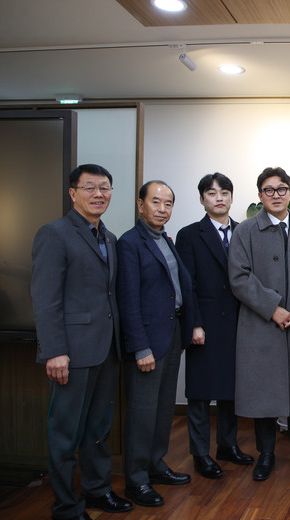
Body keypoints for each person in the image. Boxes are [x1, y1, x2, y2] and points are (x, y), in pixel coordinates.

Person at [31, 164, 132, 520]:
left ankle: (97, 490)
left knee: (98, 429)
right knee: (65, 432)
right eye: (90, 187)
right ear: (73, 193)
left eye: (105, 187)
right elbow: (45, 299)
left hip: (106, 350)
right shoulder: (54, 234)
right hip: (71, 353)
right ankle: (66, 505)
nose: (99, 194)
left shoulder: (110, 238)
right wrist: (54, 350)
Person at [229, 167, 290, 482]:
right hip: (261, 325)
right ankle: (266, 454)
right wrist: (274, 309)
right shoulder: (245, 231)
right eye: (268, 190)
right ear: (260, 195)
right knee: (263, 392)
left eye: (282, 189)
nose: (276, 195)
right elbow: (239, 277)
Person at [117, 181, 195, 507]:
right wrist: (140, 347)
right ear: (141, 205)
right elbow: (128, 300)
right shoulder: (130, 243)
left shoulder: (165, 239)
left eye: (168, 204)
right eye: (156, 202)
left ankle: (155, 464)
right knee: (142, 412)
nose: (162, 209)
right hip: (148, 340)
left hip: (171, 332)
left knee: (163, 409)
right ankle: (136, 480)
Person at [175, 173, 254, 480]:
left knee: (230, 390)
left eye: (224, 193)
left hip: (238, 323)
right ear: (202, 199)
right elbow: (187, 285)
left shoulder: (244, 231)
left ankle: (227, 445)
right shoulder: (189, 235)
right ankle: (199, 454)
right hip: (205, 325)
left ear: (232, 197)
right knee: (200, 392)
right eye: (212, 193)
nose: (219, 198)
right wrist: (194, 323)